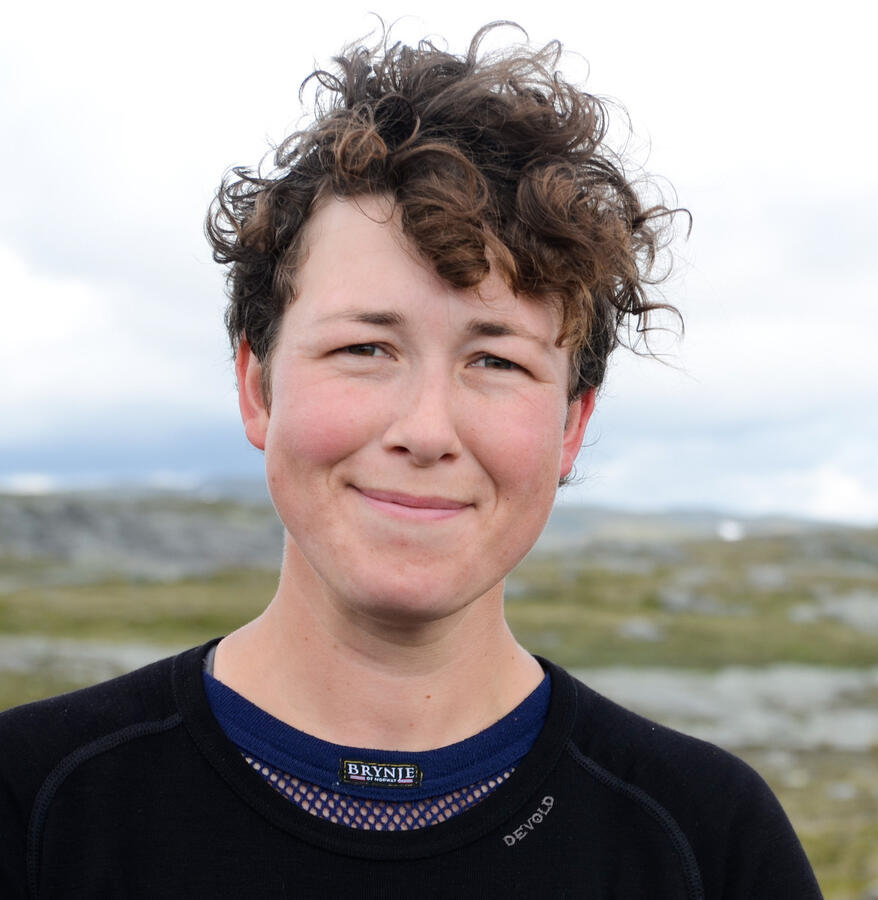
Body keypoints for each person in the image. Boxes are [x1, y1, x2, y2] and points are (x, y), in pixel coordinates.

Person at [0, 24, 822, 898]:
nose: (426, 431)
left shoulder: (708, 842)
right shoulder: (32, 806)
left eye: (496, 361)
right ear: (257, 386)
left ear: (572, 425)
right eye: (365, 348)